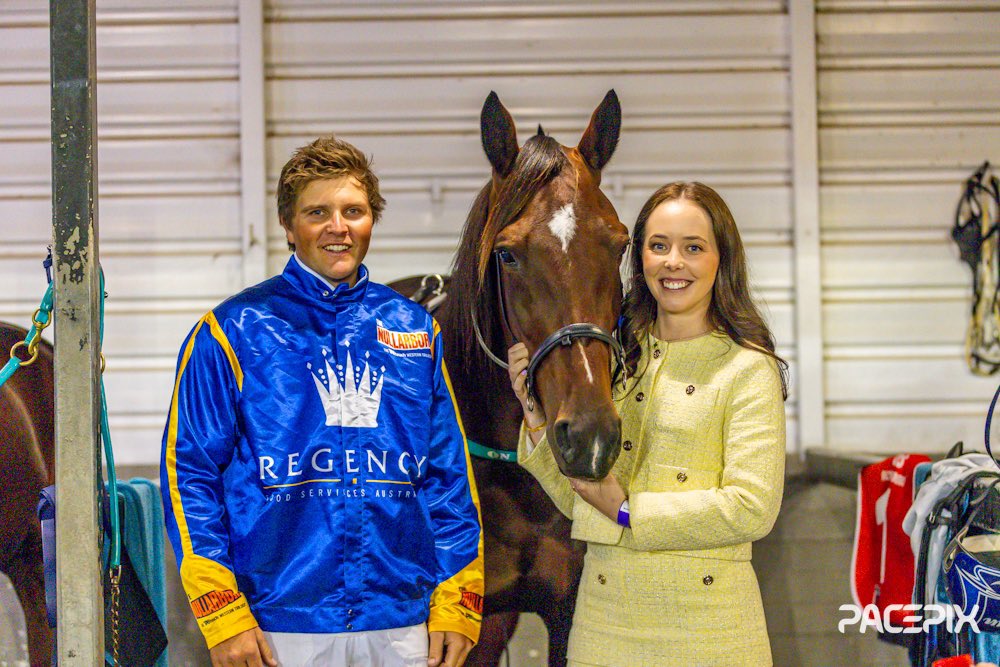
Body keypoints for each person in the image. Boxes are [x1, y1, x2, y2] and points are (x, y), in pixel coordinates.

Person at [161, 135, 484, 667]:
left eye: (353, 211)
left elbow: (448, 476)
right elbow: (189, 477)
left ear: (371, 220)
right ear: (289, 227)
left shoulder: (414, 329)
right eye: (318, 212)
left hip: (404, 621)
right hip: (276, 625)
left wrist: (458, 602)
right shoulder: (230, 332)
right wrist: (222, 615)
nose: (338, 227)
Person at [507, 181, 788, 666]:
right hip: (603, 630)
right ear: (639, 261)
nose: (672, 262)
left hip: (712, 636)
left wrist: (629, 512)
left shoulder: (747, 367)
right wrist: (533, 414)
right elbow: (581, 499)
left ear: (722, 260)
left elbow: (752, 508)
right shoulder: (616, 360)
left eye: (692, 248)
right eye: (658, 246)